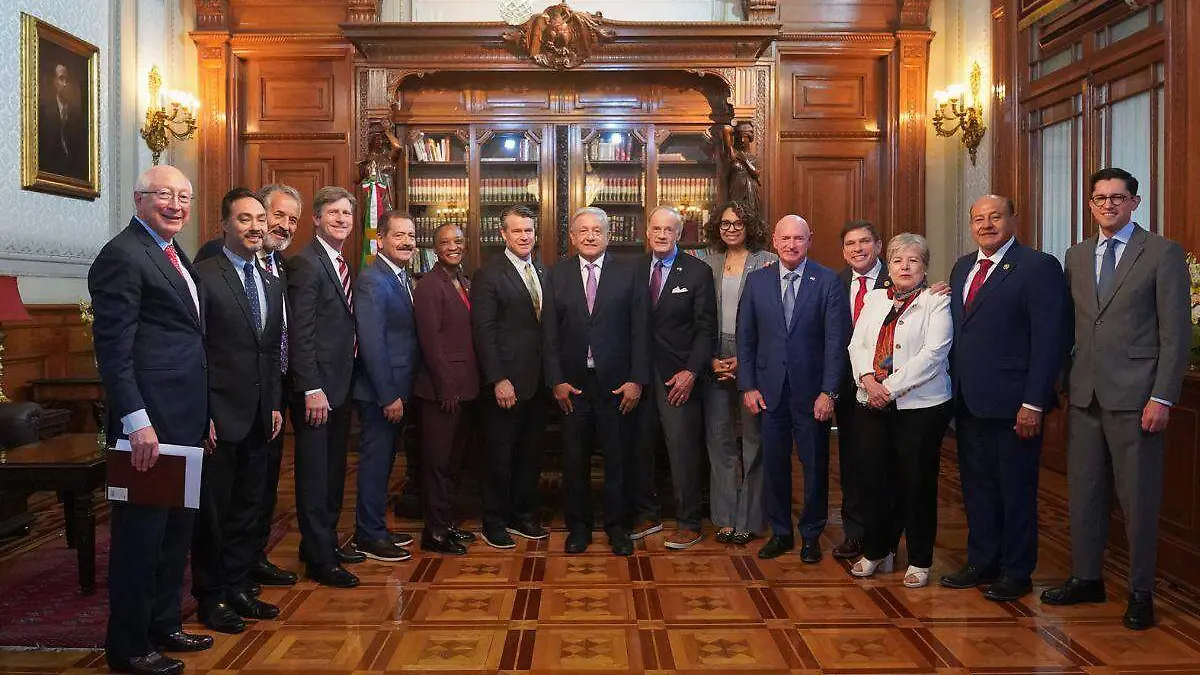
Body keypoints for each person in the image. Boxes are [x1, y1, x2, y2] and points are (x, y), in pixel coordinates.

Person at [1042, 168, 1191, 630]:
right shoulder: (1076, 255)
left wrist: (1162, 397)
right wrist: (1063, 382)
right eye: (1100, 198)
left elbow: (1176, 333)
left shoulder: (1162, 253)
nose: (1108, 205)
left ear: (1134, 203)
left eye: (1118, 198)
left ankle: (1140, 592)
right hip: (1085, 395)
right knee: (1084, 494)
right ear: (1091, 205)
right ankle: (1087, 578)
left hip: (1138, 397)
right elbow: (1069, 324)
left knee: (1138, 500)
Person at [89, 165, 210, 675]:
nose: (176, 205)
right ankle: (129, 646)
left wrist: (204, 415)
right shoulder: (122, 255)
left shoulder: (173, 253)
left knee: (175, 533)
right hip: (149, 427)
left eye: (184, 196)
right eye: (164, 194)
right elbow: (113, 352)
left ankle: (164, 624)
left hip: (184, 419)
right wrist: (136, 421)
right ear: (139, 199)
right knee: (140, 539)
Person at [940, 195, 1069, 602]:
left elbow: (1050, 339)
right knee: (977, 487)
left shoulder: (1038, 267)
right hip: (968, 400)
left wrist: (1034, 402)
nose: (986, 225)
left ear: (1013, 219)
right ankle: (982, 561)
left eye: (995, 217)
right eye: (978, 219)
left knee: (1016, 491)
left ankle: (1017, 570)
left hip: (1015, 404)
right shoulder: (962, 267)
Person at [190, 188, 285, 633]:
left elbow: (270, 350)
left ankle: (240, 585)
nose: (255, 227)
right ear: (225, 225)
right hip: (219, 415)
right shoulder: (204, 276)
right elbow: (197, 351)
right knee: (214, 512)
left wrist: (275, 404)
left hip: (260, 413)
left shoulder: (270, 278)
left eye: (260, 219)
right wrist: (203, 411)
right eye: (244, 219)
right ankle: (211, 597)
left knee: (249, 507)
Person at [738, 215, 849, 564]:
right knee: (774, 464)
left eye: (798, 238)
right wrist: (748, 386)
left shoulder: (828, 281)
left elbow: (836, 343)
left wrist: (829, 392)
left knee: (814, 466)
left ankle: (811, 535)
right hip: (768, 392)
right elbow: (746, 338)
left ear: (809, 240)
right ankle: (781, 532)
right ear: (774, 241)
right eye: (785, 238)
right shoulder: (756, 281)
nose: (791, 244)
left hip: (813, 394)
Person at [846, 233, 952, 588]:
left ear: (925, 267)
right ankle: (878, 550)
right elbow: (857, 344)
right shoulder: (875, 299)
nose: (905, 267)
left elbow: (933, 355)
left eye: (913, 260)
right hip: (871, 402)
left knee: (916, 483)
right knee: (875, 480)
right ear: (887, 266)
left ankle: (920, 559)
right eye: (897, 260)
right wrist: (867, 379)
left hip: (920, 408)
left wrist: (888, 388)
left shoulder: (936, 301)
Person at [544, 207, 649, 556]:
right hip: (573, 386)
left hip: (617, 385)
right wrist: (556, 380)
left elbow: (640, 330)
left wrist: (636, 380)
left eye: (597, 230)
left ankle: (618, 527)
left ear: (608, 235)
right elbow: (549, 334)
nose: (590, 236)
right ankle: (579, 528)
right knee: (574, 462)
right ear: (573, 237)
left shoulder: (630, 272)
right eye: (583, 231)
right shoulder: (556, 274)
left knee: (618, 460)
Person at [287, 186, 360, 588]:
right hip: (318, 391)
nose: (341, 219)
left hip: (341, 384)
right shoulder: (306, 263)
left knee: (333, 472)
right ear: (316, 219)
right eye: (333, 212)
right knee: (315, 475)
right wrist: (311, 387)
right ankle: (319, 559)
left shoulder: (339, 262)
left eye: (346, 213)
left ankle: (324, 542)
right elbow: (301, 333)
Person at [633, 205, 717, 549]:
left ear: (679, 234)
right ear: (647, 232)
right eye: (656, 228)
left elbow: (706, 329)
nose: (662, 234)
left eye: (669, 229)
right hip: (639, 375)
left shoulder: (697, 271)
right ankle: (647, 514)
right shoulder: (633, 269)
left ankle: (689, 521)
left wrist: (691, 371)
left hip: (678, 377)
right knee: (641, 447)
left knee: (682, 451)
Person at [472, 204, 549, 549]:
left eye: (528, 230)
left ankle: (521, 515)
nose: (524, 236)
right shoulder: (489, 275)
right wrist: (498, 379)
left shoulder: (542, 271)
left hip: (539, 383)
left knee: (530, 454)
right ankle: (494, 521)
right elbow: (483, 332)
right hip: (505, 383)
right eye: (516, 231)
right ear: (503, 234)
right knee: (498, 456)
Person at [701, 201, 776, 546]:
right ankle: (726, 518)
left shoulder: (768, 261)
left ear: (750, 226)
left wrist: (746, 360)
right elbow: (697, 316)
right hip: (713, 353)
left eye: (738, 223)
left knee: (753, 440)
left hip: (754, 354)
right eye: (725, 223)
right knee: (719, 440)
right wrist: (710, 358)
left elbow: (774, 321)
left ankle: (750, 518)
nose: (731, 229)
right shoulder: (707, 262)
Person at [348, 210, 421, 562]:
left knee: (385, 463)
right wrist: (388, 395)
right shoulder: (372, 279)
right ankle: (369, 535)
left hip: (398, 389)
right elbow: (372, 342)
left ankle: (376, 526)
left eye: (411, 236)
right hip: (381, 393)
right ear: (380, 240)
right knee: (375, 464)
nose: (407, 242)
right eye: (399, 235)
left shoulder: (399, 276)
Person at [246, 184, 302, 588]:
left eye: (292, 220)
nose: (284, 225)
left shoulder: (281, 266)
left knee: (266, 482)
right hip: (238, 393)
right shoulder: (222, 259)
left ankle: (255, 557)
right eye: (277, 215)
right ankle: (232, 572)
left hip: (275, 389)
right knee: (240, 489)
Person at [412, 224, 479, 555]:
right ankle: (435, 533)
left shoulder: (462, 281)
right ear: (435, 249)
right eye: (445, 242)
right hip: (442, 392)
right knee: (437, 464)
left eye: (458, 241)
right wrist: (445, 387)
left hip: (465, 388)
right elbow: (430, 342)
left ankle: (447, 523)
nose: (453, 246)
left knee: (454, 463)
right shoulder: (429, 285)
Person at [833, 219, 891, 560]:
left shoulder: (898, 278)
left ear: (878, 246)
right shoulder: (835, 283)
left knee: (885, 466)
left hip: (890, 390)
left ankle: (885, 538)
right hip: (847, 388)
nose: (858, 249)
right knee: (852, 464)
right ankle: (854, 533)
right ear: (843, 251)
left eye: (864, 242)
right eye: (851, 244)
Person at [38, 62, 86, 178]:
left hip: (73, 175)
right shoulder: (44, 112)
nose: (65, 84)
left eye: (67, 80)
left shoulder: (76, 117)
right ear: (54, 82)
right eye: (61, 79)